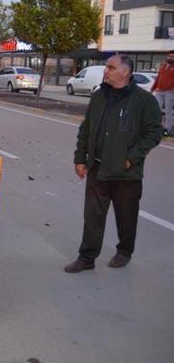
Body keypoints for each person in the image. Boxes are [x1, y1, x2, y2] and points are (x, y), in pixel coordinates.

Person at [65, 55, 163, 273]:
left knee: (126, 216)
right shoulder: (99, 96)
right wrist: (80, 158)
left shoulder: (144, 101)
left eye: (111, 67)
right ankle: (87, 257)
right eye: (106, 67)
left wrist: (131, 158)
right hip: (97, 168)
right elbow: (86, 129)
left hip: (126, 173)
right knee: (92, 216)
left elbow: (155, 132)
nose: (105, 71)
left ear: (125, 73)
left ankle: (124, 251)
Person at [150, 50, 174, 137]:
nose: (171, 58)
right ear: (166, 57)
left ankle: (168, 129)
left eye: (172, 56)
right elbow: (157, 79)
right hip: (159, 91)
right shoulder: (163, 66)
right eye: (169, 56)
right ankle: (156, 127)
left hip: (170, 92)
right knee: (157, 109)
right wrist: (152, 89)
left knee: (168, 111)